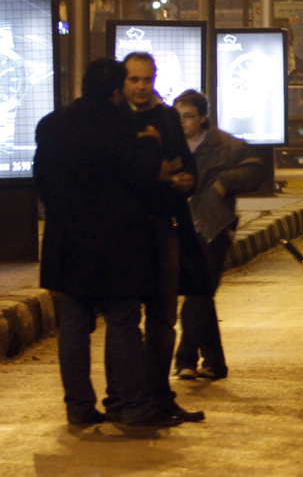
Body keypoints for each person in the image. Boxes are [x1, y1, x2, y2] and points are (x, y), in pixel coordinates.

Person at [36, 59, 179, 427]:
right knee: (123, 320)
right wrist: (152, 144)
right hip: (116, 241)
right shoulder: (124, 126)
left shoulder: (52, 125)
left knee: (73, 321)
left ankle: (79, 407)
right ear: (116, 91)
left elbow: (43, 182)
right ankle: (132, 405)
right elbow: (145, 175)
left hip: (67, 239)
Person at [122, 51, 207, 424]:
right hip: (126, 232)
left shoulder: (166, 117)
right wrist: (159, 168)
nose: (142, 87)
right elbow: (131, 170)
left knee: (163, 315)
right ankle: (130, 398)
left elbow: (181, 164)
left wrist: (186, 177)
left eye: (147, 79)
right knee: (125, 319)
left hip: (165, 227)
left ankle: (160, 395)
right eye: (134, 80)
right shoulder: (115, 119)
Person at [173, 89, 271, 382]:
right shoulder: (171, 146)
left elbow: (256, 170)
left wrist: (226, 182)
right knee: (199, 294)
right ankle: (213, 362)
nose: (183, 123)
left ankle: (186, 358)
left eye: (189, 117)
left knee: (198, 292)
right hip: (181, 227)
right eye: (178, 117)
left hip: (214, 227)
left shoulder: (224, 145)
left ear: (202, 118)